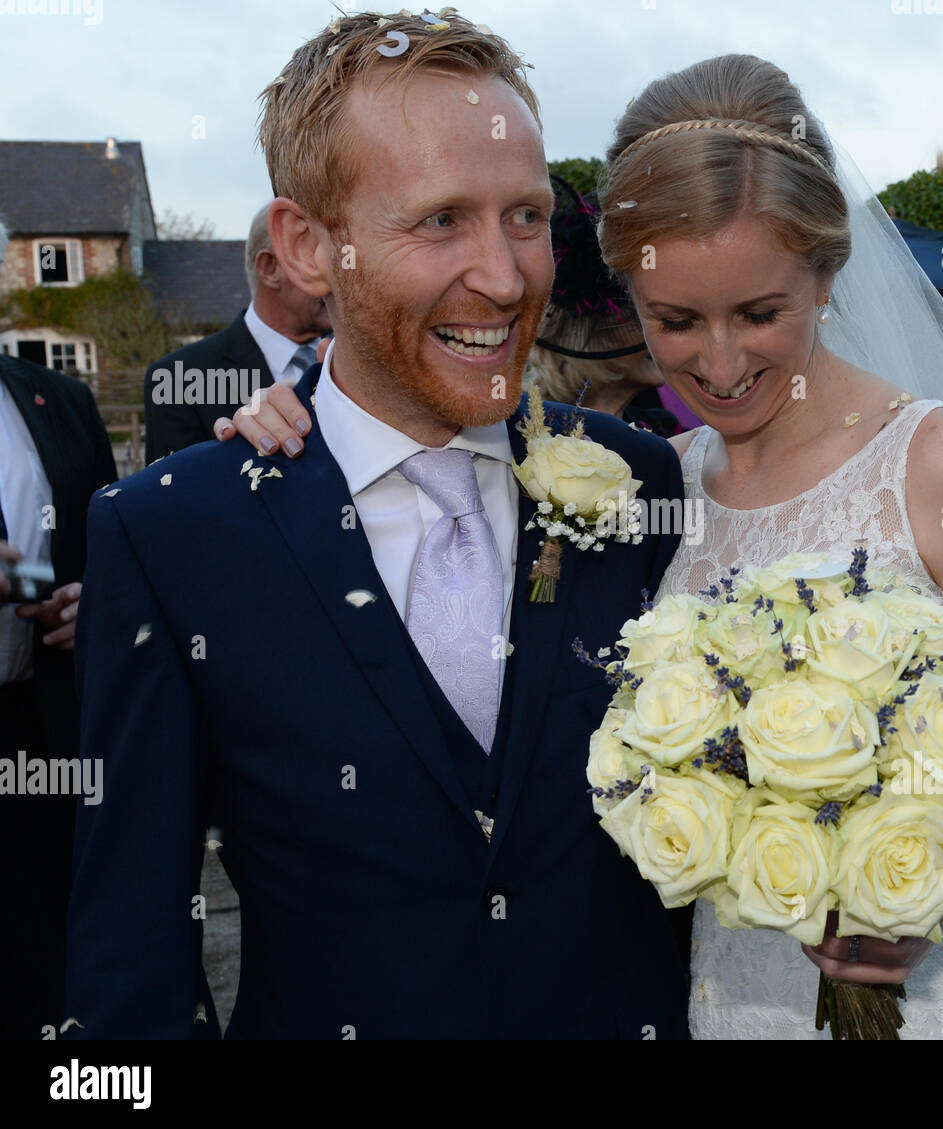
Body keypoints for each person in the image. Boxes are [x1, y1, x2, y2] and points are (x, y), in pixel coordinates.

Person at [230, 52, 943, 1040]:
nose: (718, 362)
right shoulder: (643, 486)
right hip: (726, 996)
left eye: (759, 313)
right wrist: (301, 418)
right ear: (628, 294)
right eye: (674, 320)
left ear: (827, 272)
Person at [64, 12, 688, 1039]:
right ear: (307, 245)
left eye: (525, 216)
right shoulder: (171, 536)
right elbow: (130, 960)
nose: (503, 276)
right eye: (441, 220)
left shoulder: (637, 483)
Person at [0, 215, 118, 1039]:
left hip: (43, 724)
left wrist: (88, 597)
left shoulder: (60, 397)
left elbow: (103, 548)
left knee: (44, 947)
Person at [143, 202, 331, 462]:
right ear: (269, 268)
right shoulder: (179, 379)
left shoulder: (352, 361)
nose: (338, 277)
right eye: (317, 257)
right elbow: (171, 498)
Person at [524, 177, 676, 435]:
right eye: (635, 313)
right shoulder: (520, 431)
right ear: (582, 335)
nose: (659, 329)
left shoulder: (664, 432)